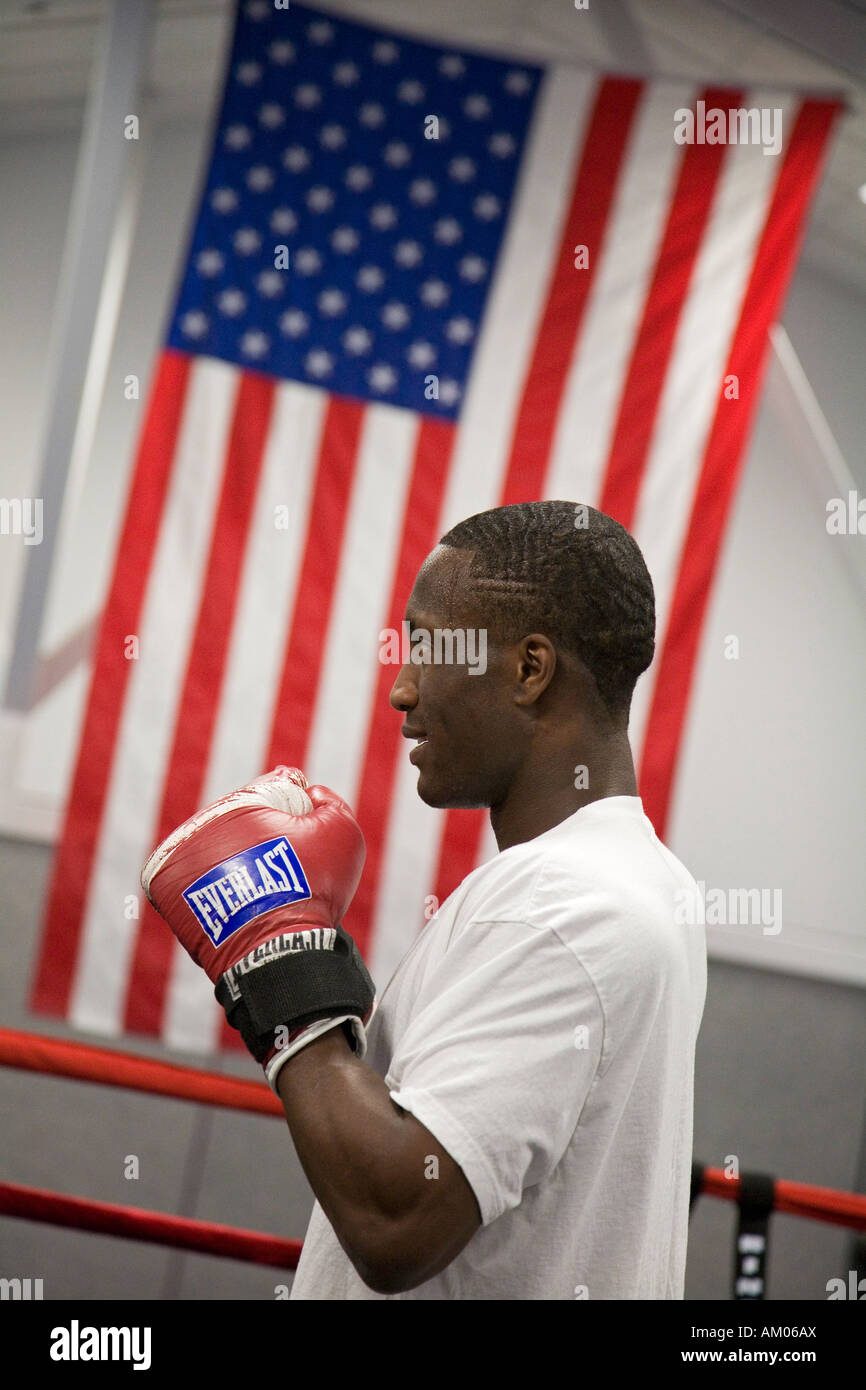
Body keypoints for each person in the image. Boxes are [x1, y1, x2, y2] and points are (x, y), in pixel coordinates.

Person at [144, 500, 707, 1300]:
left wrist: (279, 970)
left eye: (426, 646)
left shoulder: (564, 906)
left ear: (528, 669)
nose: (402, 690)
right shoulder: (649, 883)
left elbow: (398, 1221)